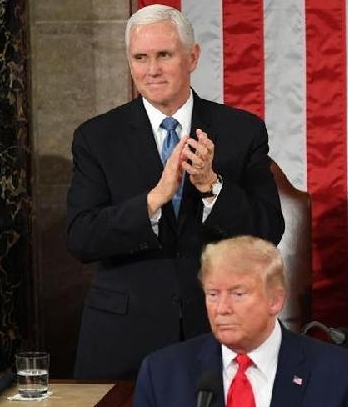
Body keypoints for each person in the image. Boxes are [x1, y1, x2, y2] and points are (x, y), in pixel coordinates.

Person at [66, 4, 284, 379]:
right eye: (140, 57)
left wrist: (211, 186)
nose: (152, 70)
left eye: (164, 55)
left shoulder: (241, 131)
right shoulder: (96, 137)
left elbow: (268, 231)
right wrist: (152, 201)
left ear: (193, 57)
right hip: (122, 338)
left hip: (215, 331)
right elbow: (81, 237)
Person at [134, 236, 348, 407]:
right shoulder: (162, 373)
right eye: (213, 294)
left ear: (275, 300)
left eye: (238, 294)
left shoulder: (340, 375)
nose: (222, 308)